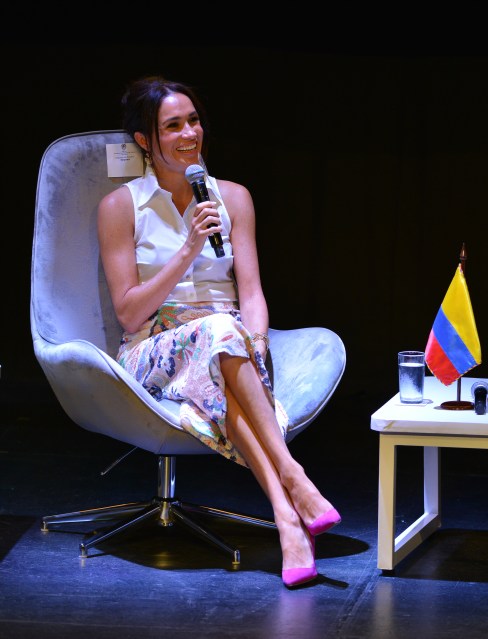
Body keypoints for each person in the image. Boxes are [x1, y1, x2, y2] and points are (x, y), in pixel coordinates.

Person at [97, 76, 340, 589]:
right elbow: (127, 314)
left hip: (228, 344)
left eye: (193, 121)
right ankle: (294, 479)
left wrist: (257, 343)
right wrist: (188, 247)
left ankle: (287, 522)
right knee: (218, 335)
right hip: (153, 348)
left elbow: (250, 291)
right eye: (172, 126)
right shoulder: (122, 206)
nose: (189, 134)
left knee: (226, 339)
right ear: (145, 140)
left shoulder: (233, 198)